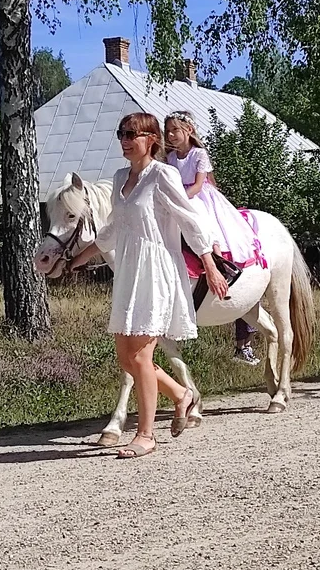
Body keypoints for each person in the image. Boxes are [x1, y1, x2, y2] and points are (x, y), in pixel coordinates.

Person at [70, 113, 227, 459]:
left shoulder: (163, 174)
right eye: (120, 134)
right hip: (128, 272)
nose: (124, 140)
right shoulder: (120, 177)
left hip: (156, 272)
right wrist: (82, 256)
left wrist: (210, 264)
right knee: (126, 358)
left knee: (141, 355)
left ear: (151, 139)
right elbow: (113, 228)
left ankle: (145, 435)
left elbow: (190, 219)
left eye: (131, 134)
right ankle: (182, 395)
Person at [163, 111, 264, 366]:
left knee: (206, 224)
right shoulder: (171, 158)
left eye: (175, 130)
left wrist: (181, 197)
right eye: (169, 131)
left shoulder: (199, 155)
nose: (171, 135)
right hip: (178, 200)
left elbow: (198, 185)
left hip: (199, 198)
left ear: (188, 130)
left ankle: (218, 262)